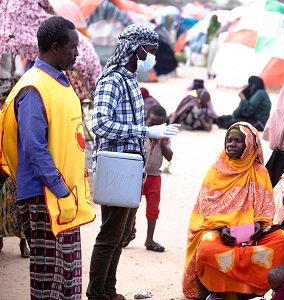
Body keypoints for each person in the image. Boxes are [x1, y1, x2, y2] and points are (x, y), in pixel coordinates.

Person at [0, 16, 96, 299]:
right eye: (72, 47)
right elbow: (34, 149)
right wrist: (60, 188)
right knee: (48, 281)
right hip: (45, 196)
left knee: (69, 275)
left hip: (64, 196)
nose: (77, 53)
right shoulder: (33, 88)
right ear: (55, 47)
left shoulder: (59, 82)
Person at [87, 24, 180, 300]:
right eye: (149, 50)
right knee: (110, 234)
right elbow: (100, 125)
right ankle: (96, 293)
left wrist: (151, 134)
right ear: (136, 47)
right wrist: (145, 131)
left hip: (131, 165)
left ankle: (108, 290)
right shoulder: (112, 79)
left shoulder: (129, 78)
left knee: (121, 233)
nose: (150, 56)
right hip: (117, 165)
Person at [182, 122, 284, 300]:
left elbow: (266, 206)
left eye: (238, 141)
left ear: (249, 145)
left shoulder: (259, 172)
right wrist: (221, 228)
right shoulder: (216, 169)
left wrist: (258, 224)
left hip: (248, 231)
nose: (231, 145)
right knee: (207, 248)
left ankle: (253, 289)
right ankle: (219, 290)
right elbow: (205, 208)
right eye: (229, 140)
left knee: (281, 240)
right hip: (220, 230)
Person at [143, 104, 172, 252]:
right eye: (151, 124)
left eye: (158, 126)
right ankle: (128, 233)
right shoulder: (141, 132)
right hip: (139, 175)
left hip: (154, 176)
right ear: (145, 119)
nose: (154, 128)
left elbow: (169, 156)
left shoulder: (164, 137)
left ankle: (149, 240)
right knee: (131, 207)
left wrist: (161, 142)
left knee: (153, 209)